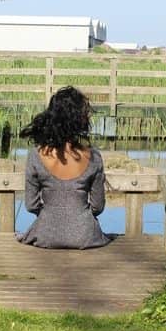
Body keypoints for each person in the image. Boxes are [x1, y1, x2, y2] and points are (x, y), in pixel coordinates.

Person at [16, 86, 110, 249]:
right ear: (80, 121)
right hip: (85, 236)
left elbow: (31, 205)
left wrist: (51, 215)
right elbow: (98, 206)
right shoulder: (93, 157)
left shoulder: (36, 155)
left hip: (45, 234)